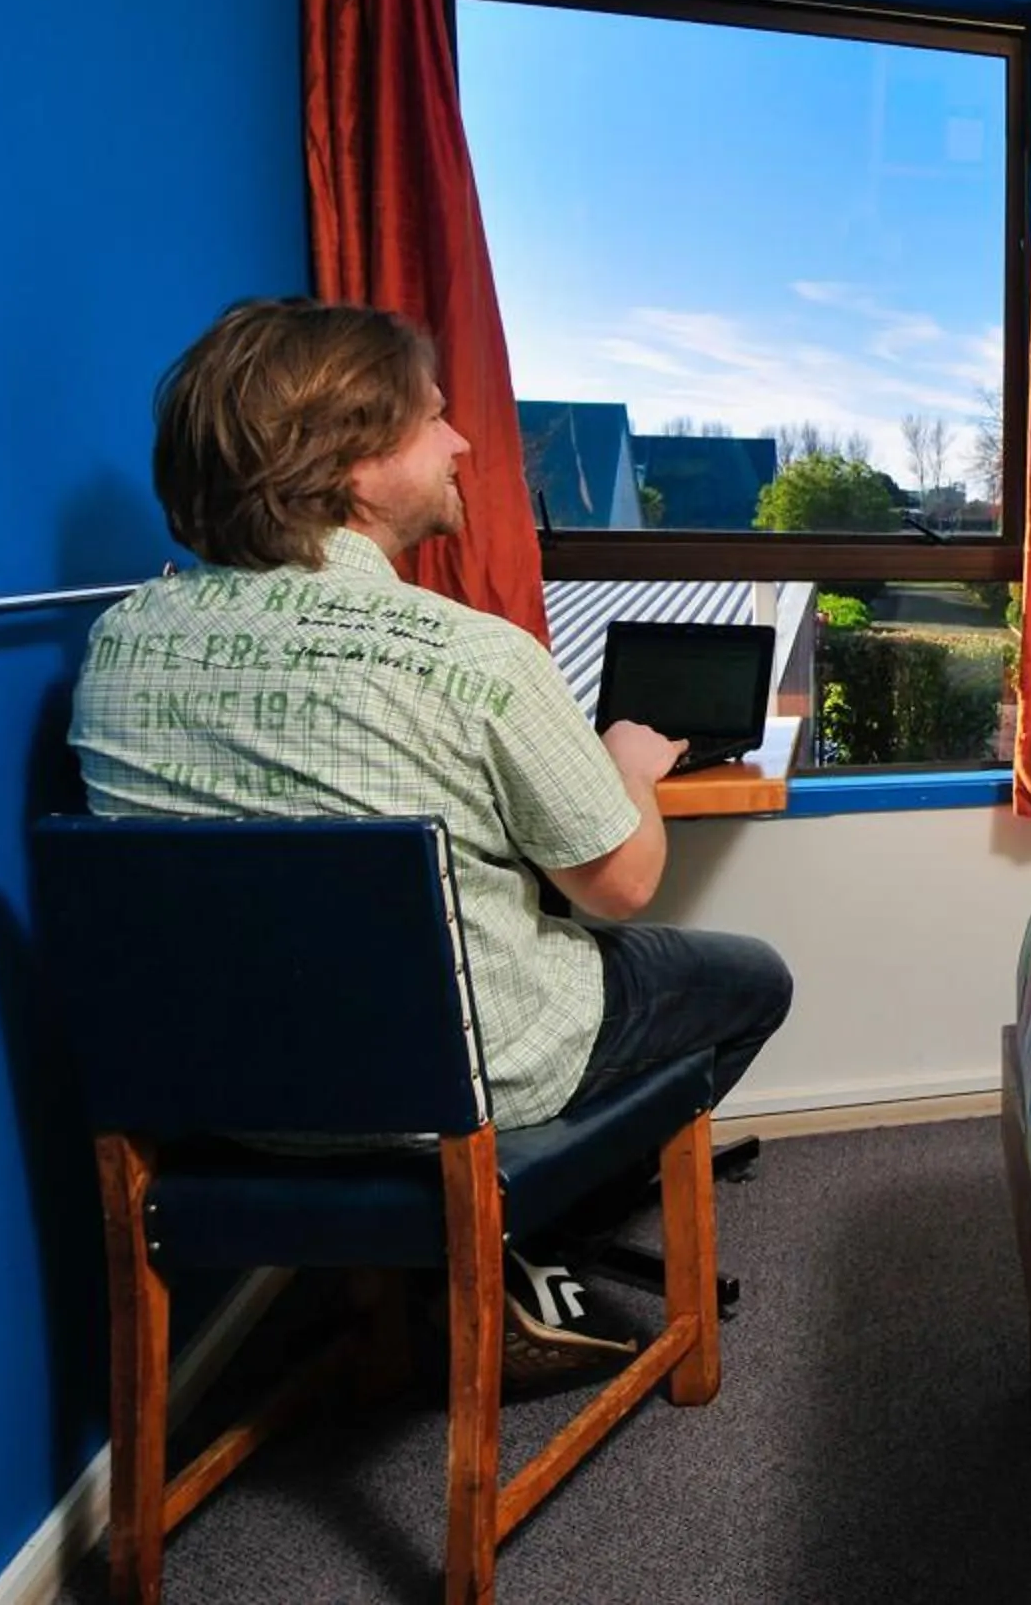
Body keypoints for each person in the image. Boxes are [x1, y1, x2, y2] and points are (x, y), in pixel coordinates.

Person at [69, 297, 793, 1377]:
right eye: (433, 420)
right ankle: (508, 1227)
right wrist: (630, 770)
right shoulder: (474, 657)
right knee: (752, 978)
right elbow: (621, 884)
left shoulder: (118, 646)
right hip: (456, 1087)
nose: (462, 442)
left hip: (220, 1095)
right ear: (357, 469)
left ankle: (454, 1248)